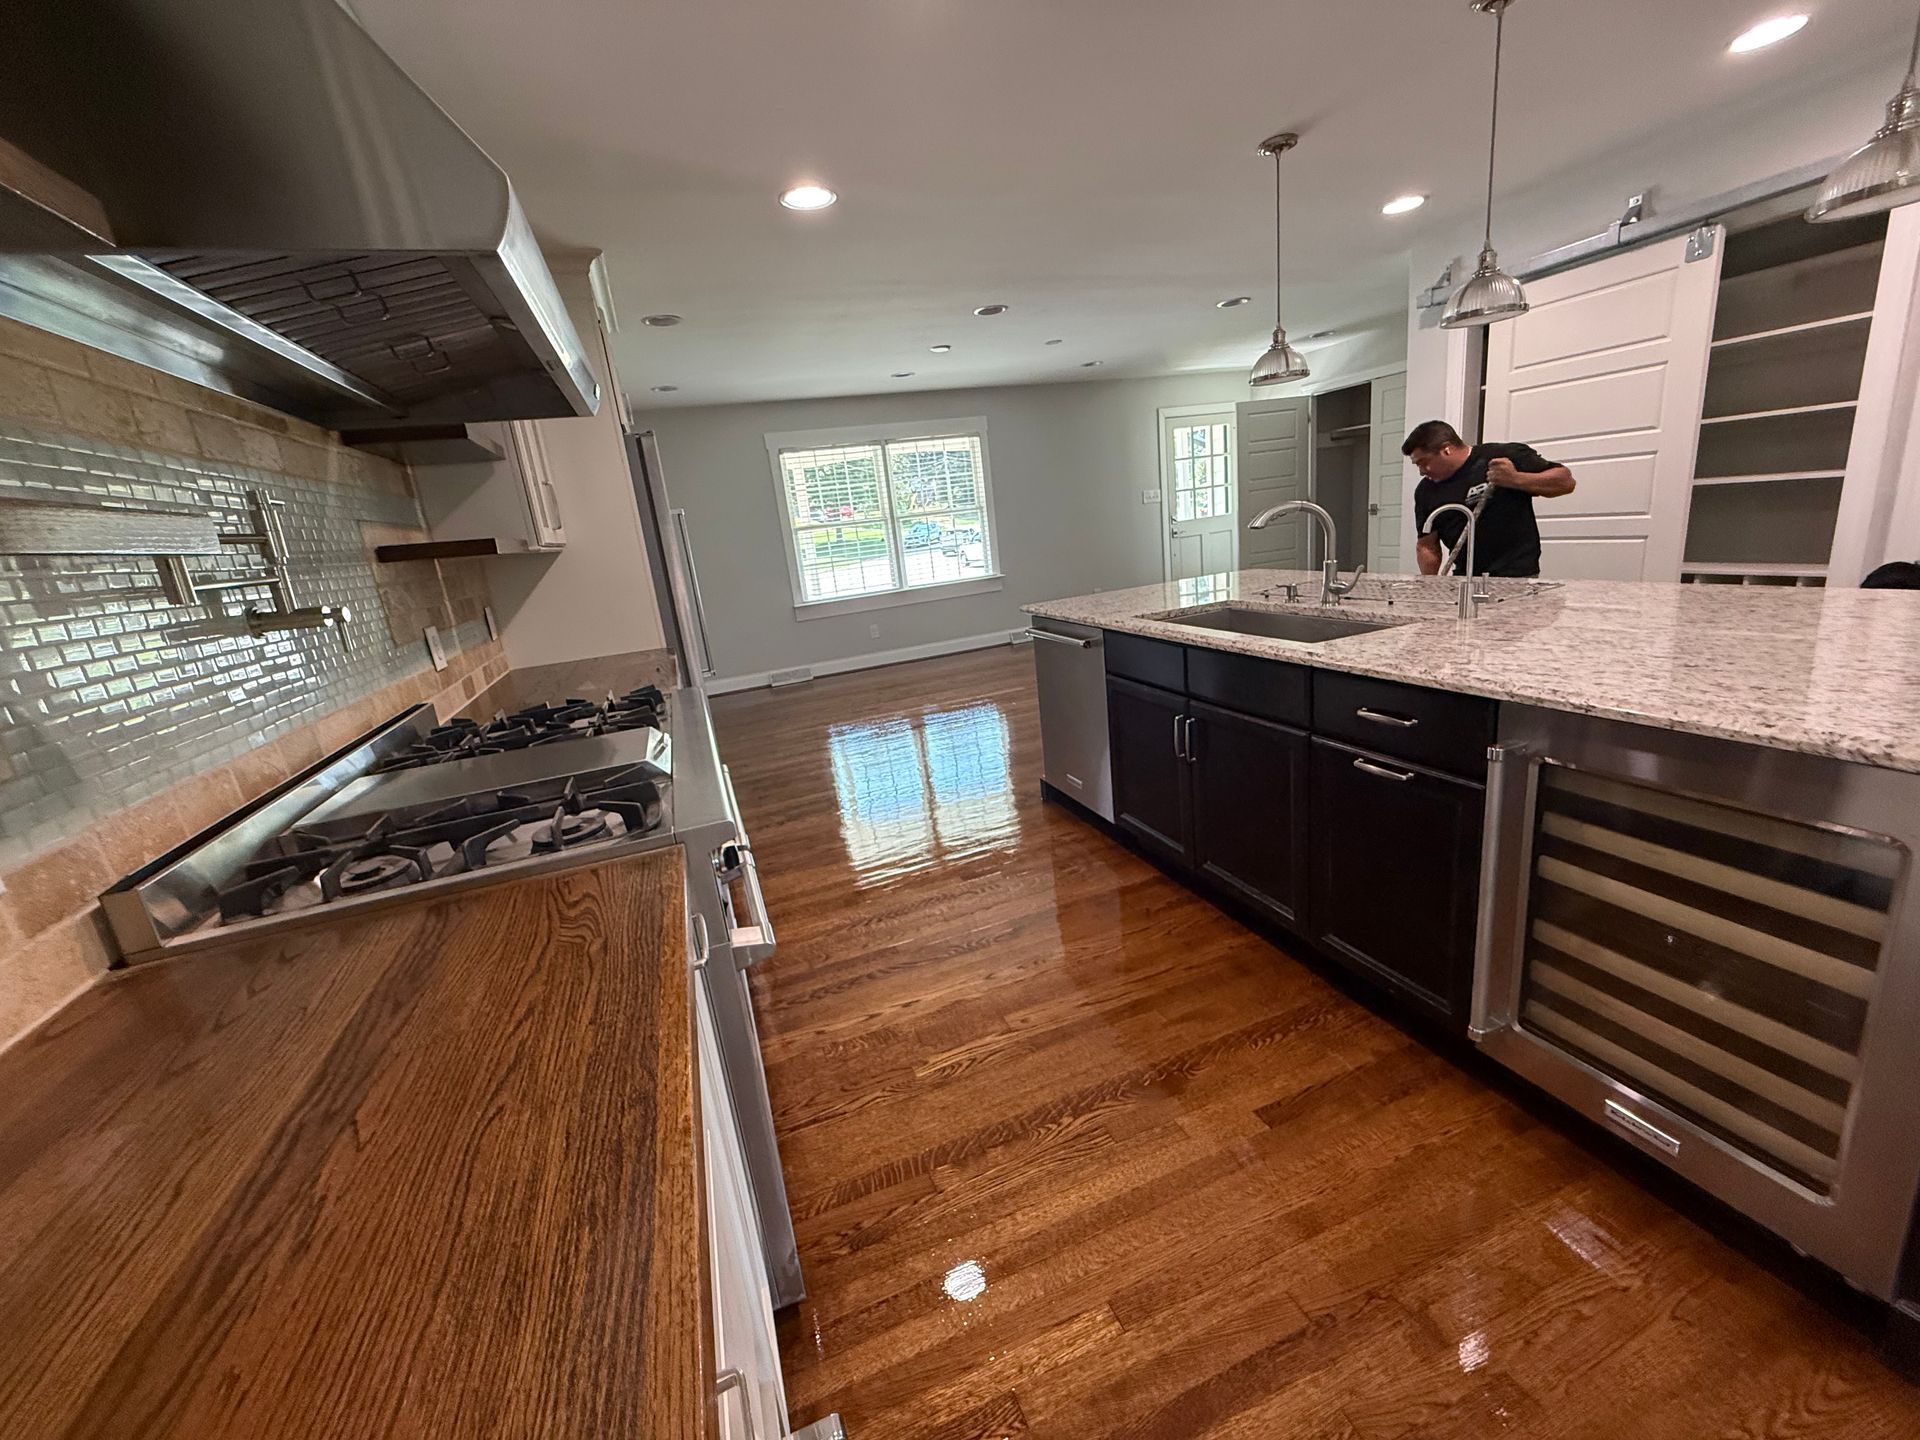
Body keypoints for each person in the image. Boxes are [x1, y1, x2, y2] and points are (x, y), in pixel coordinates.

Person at [1404, 420, 1576, 578]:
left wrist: (1515, 479)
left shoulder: (1501, 457)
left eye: (1423, 462)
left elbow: (1566, 482)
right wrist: (1429, 584)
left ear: (1446, 449)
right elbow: (1427, 545)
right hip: (1465, 576)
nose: (1421, 471)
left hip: (1516, 576)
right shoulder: (1425, 491)